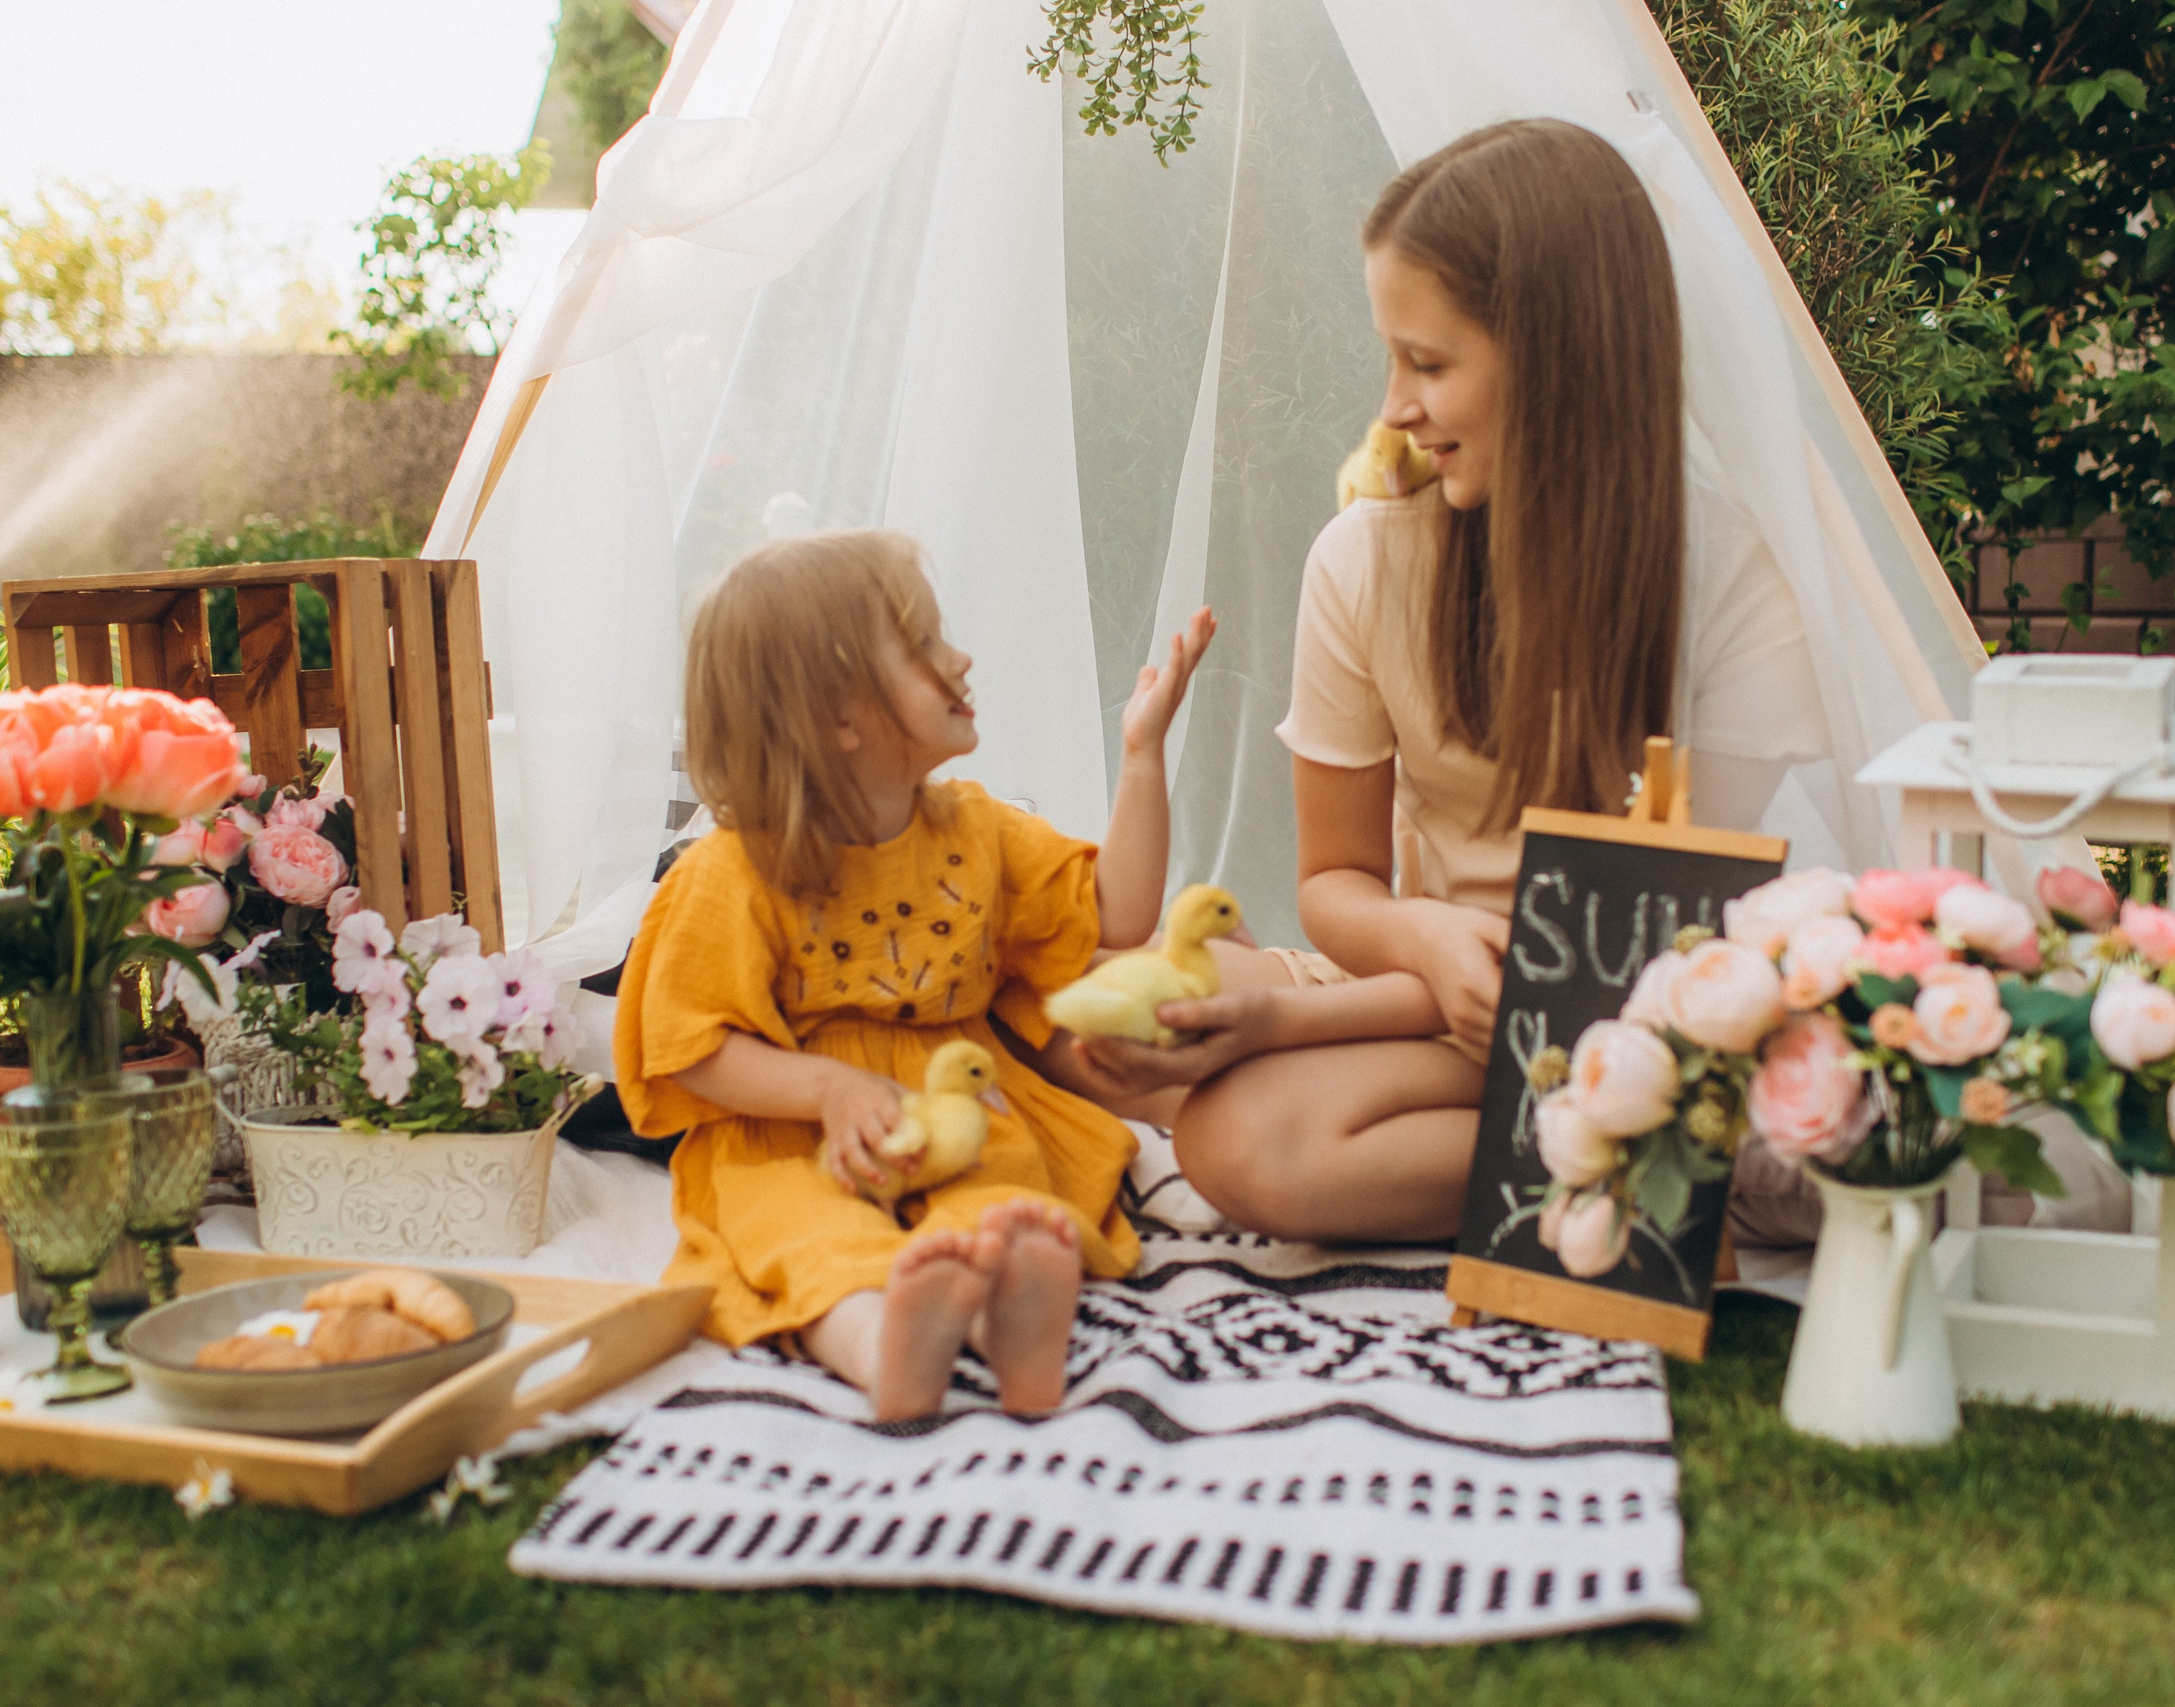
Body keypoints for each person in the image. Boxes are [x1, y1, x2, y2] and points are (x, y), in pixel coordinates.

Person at [1026, 118, 1833, 1243]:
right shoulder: (1365, 558)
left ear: (1560, 366)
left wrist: (1287, 1026)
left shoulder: (1732, 586)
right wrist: (1418, 946)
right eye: (1391, 357)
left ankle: (1682, 1160)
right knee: (1072, 1020)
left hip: (1626, 1009)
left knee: (1243, 1140)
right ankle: (1619, 1166)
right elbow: (1338, 879)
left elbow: (1627, 961)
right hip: (1433, 989)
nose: (1394, 406)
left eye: (1431, 363)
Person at [611, 527, 1215, 1420]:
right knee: (808, 1233)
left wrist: (1140, 755)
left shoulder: (977, 829)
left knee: (1001, 1199)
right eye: (927, 644)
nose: (960, 658)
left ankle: (1002, 1312)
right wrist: (827, 1090)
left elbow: (1117, 914)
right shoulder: (730, 872)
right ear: (841, 719)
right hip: (791, 1131)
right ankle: (883, 1345)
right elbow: (689, 1048)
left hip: (962, 1106)